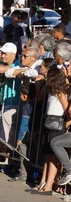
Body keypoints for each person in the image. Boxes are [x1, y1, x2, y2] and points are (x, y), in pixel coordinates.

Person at [32, 67, 69, 195]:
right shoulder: (51, 91)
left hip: (57, 124)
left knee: (53, 156)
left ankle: (48, 185)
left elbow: (67, 110)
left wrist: (68, 121)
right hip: (49, 122)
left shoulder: (60, 93)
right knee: (47, 155)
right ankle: (43, 182)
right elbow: (41, 97)